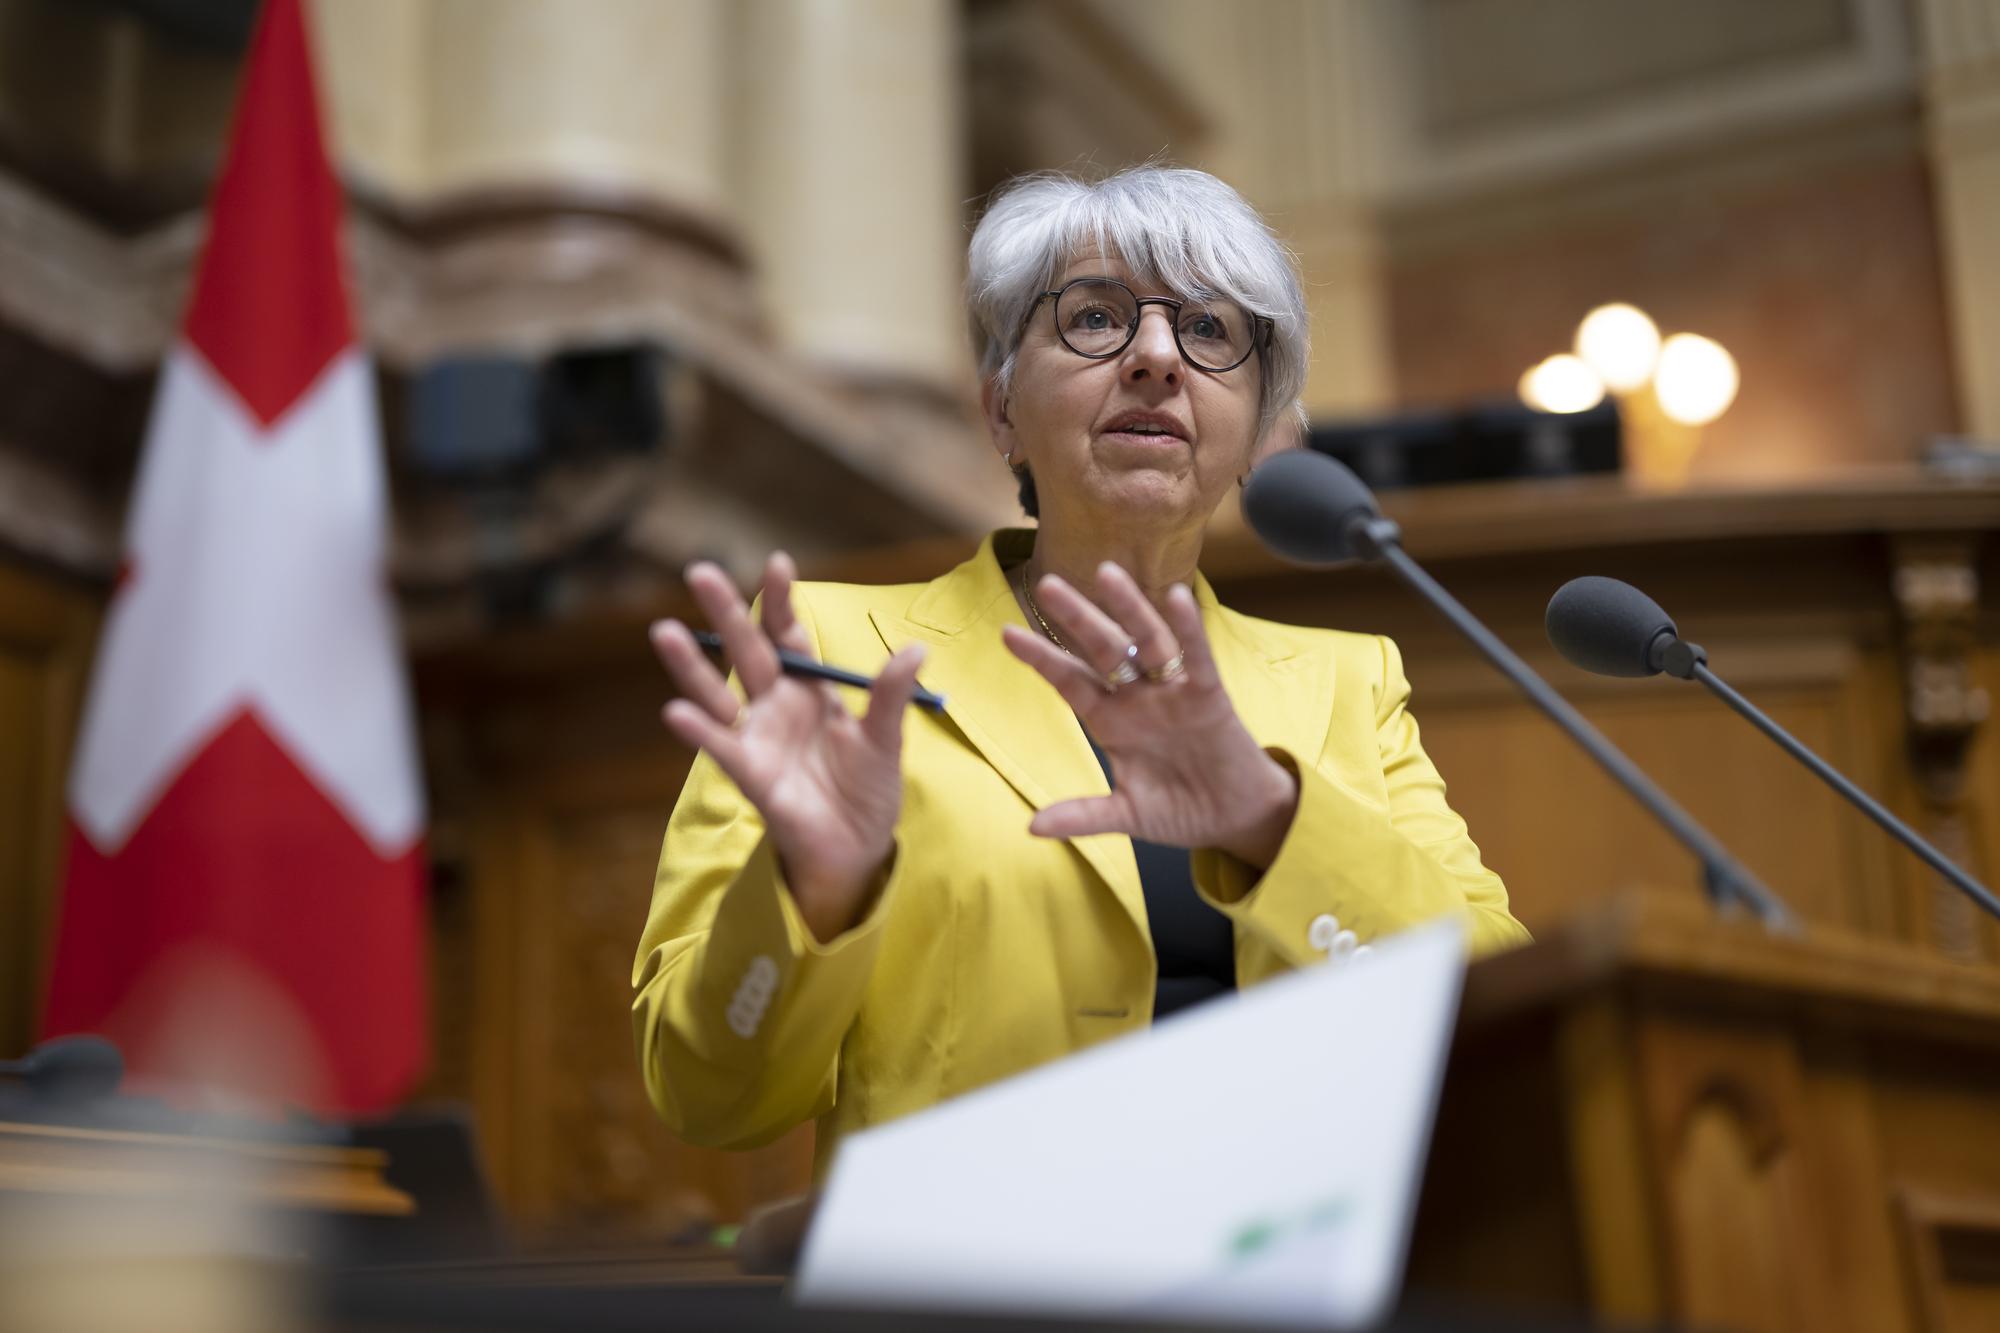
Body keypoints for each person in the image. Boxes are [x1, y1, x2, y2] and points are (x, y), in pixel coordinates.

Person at [633, 165, 1528, 1169]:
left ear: (1256, 430)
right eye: (1095, 318)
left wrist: (1275, 822)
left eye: (1210, 330)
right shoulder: (832, 655)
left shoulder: (1348, 685)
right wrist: (810, 890)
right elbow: (705, 1093)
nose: (1156, 357)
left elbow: (1496, 1009)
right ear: (1001, 411)